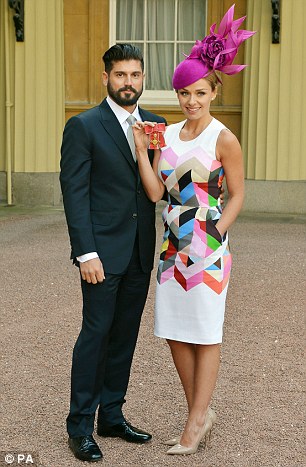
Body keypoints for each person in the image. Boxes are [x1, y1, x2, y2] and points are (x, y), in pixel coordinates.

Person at [133, 5, 255, 456]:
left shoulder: (224, 138)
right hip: (171, 246)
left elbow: (239, 193)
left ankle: (194, 421)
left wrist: (218, 231)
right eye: (184, 93)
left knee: (206, 332)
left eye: (199, 92)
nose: (191, 101)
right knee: (174, 331)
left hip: (208, 246)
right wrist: (143, 151)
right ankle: (200, 414)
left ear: (213, 91)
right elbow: (154, 194)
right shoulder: (166, 134)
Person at [59, 44, 167, 462]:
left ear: (143, 79)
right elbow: (75, 193)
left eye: (135, 75)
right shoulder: (84, 126)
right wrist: (85, 253)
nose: (128, 82)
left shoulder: (155, 125)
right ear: (106, 78)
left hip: (140, 252)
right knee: (95, 336)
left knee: (124, 337)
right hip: (101, 256)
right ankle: (80, 426)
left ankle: (113, 415)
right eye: (120, 75)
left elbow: (155, 188)